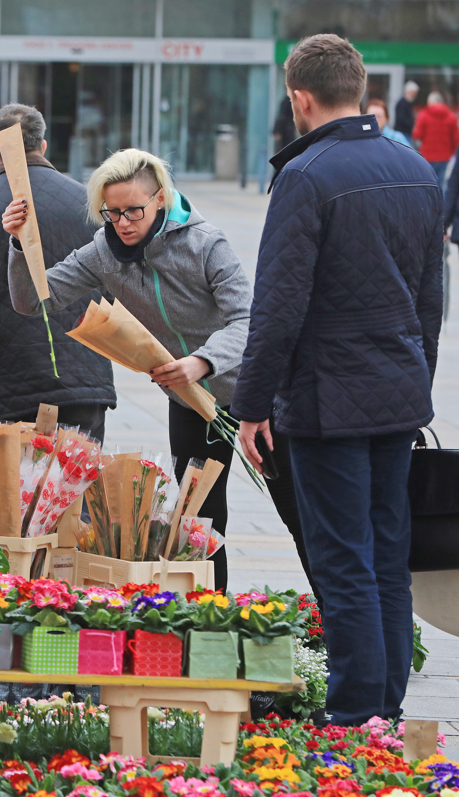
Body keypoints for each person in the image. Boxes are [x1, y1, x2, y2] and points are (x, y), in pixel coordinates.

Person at [234, 34, 443, 726]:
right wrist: (417, 380)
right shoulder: (416, 170)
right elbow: (430, 301)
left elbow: (278, 305)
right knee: (387, 556)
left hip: (329, 401)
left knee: (343, 557)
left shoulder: (306, 176)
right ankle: (384, 704)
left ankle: (355, 712)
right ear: (357, 88)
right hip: (396, 395)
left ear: (300, 97)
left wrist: (252, 404)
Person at [4, 148, 301, 592]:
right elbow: (32, 300)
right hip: (191, 405)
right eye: (112, 212)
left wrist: (201, 361)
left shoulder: (206, 243)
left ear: (160, 198)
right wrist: (18, 242)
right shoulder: (104, 250)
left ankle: (340, 622)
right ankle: (208, 615)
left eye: (134, 211)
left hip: (256, 394)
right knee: (200, 518)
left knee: (297, 508)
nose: (123, 223)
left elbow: (247, 320)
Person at [0, 103, 115, 439]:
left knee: (10, 489)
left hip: (4, 385)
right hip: (83, 383)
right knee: (73, 487)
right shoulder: (86, 203)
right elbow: (114, 288)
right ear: (43, 146)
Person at [412, 91, 458, 190]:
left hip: (427, 155)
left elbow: (417, 135)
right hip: (444, 156)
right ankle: (440, 205)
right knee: (440, 184)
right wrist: (451, 152)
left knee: (427, 184)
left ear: (431, 102)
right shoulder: (451, 116)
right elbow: (456, 138)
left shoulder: (424, 114)